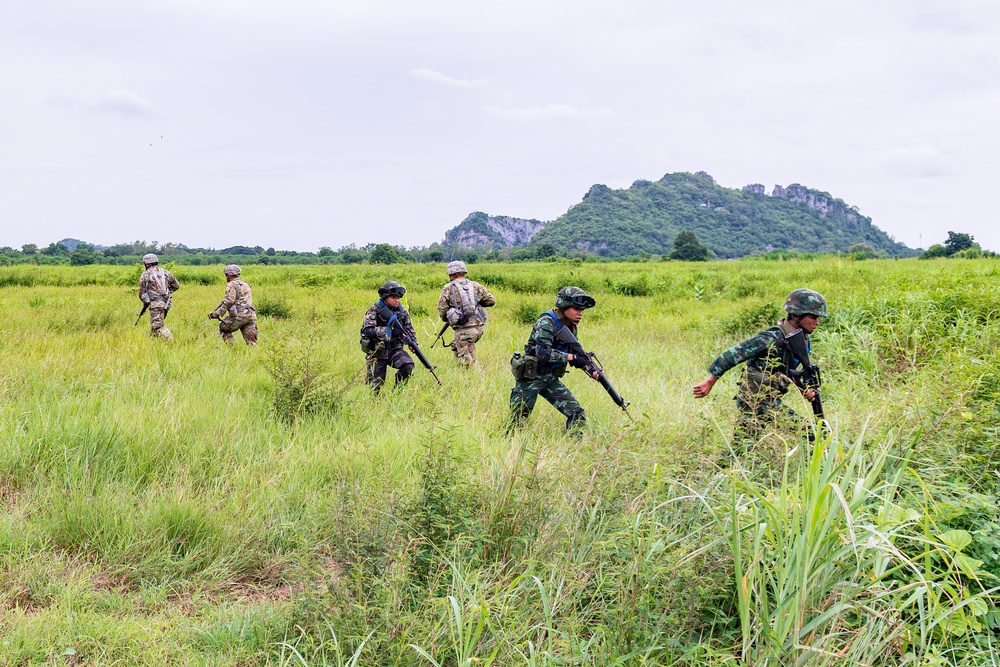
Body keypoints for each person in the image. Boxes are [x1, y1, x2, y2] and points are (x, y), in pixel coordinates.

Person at [692, 288, 828, 445]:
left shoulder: (799, 339)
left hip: (766, 398)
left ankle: (725, 468)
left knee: (743, 446)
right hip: (757, 399)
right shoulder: (772, 338)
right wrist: (710, 381)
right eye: (813, 317)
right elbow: (733, 354)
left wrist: (805, 390)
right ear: (796, 315)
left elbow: (787, 371)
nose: (817, 322)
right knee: (809, 434)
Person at [508, 286, 601, 434]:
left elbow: (572, 353)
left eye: (582, 310)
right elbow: (543, 354)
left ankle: (573, 450)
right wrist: (572, 357)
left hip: (550, 378)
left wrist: (589, 369)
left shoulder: (571, 326)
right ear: (564, 306)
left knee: (577, 414)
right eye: (576, 309)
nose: (580, 313)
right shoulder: (546, 322)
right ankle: (508, 449)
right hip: (530, 378)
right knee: (517, 422)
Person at [360, 281, 417, 394]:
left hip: (395, 350)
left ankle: (395, 394)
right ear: (385, 297)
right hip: (377, 351)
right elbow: (368, 330)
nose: (397, 300)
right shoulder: (375, 310)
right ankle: (373, 405)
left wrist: (413, 343)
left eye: (398, 297)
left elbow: (409, 329)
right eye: (393, 297)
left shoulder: (402, 312)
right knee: (374, 386)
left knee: (408, 366)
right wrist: (389, 331)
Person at [436, 260, 496, 366]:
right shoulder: (476, 286)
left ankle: (474, 379)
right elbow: (491, 300)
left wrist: (452, 316)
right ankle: (459, 371)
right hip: (478, 329)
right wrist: (476, 304)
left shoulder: (448, 288)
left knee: (468, 363)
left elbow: (442, 310)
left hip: (464, 331)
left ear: (451, 274)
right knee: (455, 345)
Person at [208, 264, 258, 345]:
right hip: (251, 315)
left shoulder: (232, 284)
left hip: (240, 315)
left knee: (224, 328)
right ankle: (255, 355)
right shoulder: (245, 284)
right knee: (251, 341)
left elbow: (229, 301)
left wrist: (217, 313)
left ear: (229, 275)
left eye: (226, 275)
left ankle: (232, 349)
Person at [138, 253, 180, 340]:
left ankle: (171, 342)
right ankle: (153, 343)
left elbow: (142, 293)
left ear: (147, 264)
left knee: (158, 326)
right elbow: (176, 285)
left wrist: (147, 302)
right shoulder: (166, 272)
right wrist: (167, 293)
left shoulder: (145, 275)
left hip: (156, 305)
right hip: (167, 303)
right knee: (156, 325)